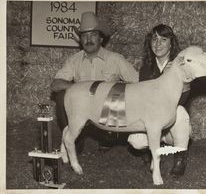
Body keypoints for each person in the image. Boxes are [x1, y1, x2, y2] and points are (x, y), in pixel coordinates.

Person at [51, 11, 138, 152]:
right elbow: (55, 85)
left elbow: (138, 82)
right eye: (84, 36)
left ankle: (108, 138)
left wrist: (118, 92)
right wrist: (81, 89)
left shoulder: (115, 59)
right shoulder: (74, 60)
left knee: (120, 95)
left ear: (101, 39)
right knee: (62, 98)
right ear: (80, 40)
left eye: (93, 35)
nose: (88, 39)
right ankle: (74, 143)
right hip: (81, 111)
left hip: (108, 113)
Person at [127, 24, 192, 177]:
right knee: (135, 141)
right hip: (153, 120)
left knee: (180, 110)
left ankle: (180, 158)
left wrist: (174, 75)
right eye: (154, 39)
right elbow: (144, 101)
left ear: (171, 43)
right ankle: (154, 149)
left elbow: (182, 99)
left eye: (163, 39)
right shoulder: (146, 68)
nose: (157, 44)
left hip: (173, 122)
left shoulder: (181, 65)